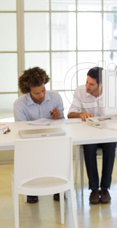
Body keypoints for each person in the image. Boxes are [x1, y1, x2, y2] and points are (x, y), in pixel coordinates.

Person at [14, 66, 64, 203]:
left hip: (53, 139)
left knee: (59, 150)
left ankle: (58, 187)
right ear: (28, 91)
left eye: (43, 90)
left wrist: (58, 117)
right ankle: (32, 188)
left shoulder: (55, 97)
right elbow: (21, 129)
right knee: (31, 151)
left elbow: (62, 124)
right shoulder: (20, 104)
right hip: (31, 141)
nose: (42, 95)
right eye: (37, 93)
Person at [68, 66, 116, 205]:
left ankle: (105, 188)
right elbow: (70, 114)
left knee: (110, 146)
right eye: (86, 82)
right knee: (89, 148)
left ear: (101, 85)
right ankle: (94, 189)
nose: (87, 86)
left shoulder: (111, 93)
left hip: (107, 133)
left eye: (91, 84)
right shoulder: (81, 91)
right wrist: (80, 114)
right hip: (89, 134)